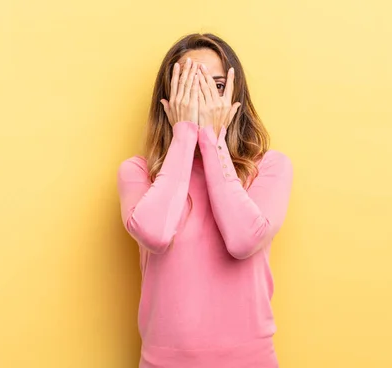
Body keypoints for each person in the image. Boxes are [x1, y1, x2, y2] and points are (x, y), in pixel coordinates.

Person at [116, 33, 293, 368]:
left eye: (217, 86)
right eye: (190, 86)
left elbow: (243, 240)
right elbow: (155, 233)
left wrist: (212, 140)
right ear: (168, 102)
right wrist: (185, 135)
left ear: (235, 98)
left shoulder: (270, 168)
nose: (205, 99)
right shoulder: (136, 173)